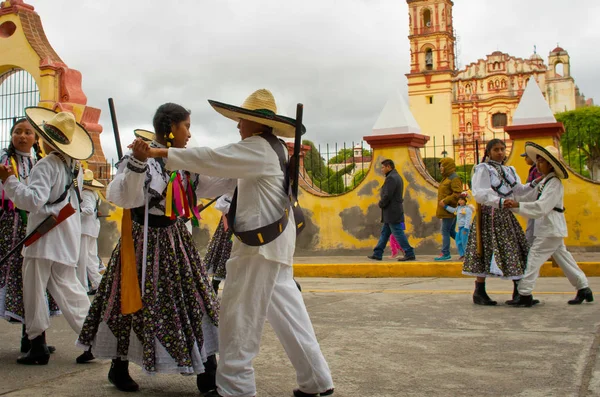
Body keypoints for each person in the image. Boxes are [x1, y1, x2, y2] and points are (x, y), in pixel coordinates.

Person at [143, 89, 334, 397]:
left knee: (238, 315)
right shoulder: (268, 150)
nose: (237, 126)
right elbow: (220, 181)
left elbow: (214, 158)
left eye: (241, 120)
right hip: (273, 247)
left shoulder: (257, 148)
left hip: (259, 249)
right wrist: (188, 177)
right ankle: (316, 381)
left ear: (255, 123)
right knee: (289, 315)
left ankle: (235, 389)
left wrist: (163, 154)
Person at [76, 103, 235, 393]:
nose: (189, 132)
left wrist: (242, 170)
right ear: (171, 128)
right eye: (186, 125)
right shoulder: (141, 158)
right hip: (141, 242)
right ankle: (118, 366)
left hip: (175, 239)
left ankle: (207, 370)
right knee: (128, 302)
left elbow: (209, 186)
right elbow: (126, 197)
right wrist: (136, 164)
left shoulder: (183, 160)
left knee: (195, 299)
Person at [0, 108, 92, 365]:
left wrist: (9, 181)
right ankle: (93, 338)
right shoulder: (76, 167)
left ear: (44, 138)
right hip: (66, 236)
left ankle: (36, 344)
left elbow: (32, 201)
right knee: (70, 290)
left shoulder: (47, 164)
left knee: (34, 290)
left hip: (43, 238)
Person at [504, 143, 593, 307]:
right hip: (550, 228)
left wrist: (517, 206)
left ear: (551, 164)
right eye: (537, 161)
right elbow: (530, 196)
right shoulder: (545, 181)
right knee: (564, 259)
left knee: (534, 258)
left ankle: (524, 293)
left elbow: (541, 207)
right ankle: (583, 287)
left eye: (541, 161)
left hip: (549, 228)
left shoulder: (554, 183)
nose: (538, 165)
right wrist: (515, 203)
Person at [0, 118, 61, 355]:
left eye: (28, 132)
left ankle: (33, 337)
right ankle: (34, 339)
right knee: (21, 278)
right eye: (18, 132)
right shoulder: (5, 162)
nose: (22, 136)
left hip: (36, 226)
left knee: (36, 281)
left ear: (36, 139)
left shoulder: (41, 162)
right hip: (11, 228)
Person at [462, 139, 536, 306]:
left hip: (505, 214)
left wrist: (536, 183)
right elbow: (480, 194)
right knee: (484, 250)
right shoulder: (483, 169)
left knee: (515, 248)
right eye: (496, 149)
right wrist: (500, 202)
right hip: (489, 215)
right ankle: (480, 291)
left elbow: (518, 190)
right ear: (488, 152)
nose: (500, 152)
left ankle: (519, 290)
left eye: (503, 149)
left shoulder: (509, 170)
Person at [368, 159, 416, 262]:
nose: (382, 169)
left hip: (392, 211)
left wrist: (381, 203)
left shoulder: (391, 178)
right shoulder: (396, 177)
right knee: (385, 232)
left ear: (389, 167)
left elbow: (387, 195)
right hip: (392, 211)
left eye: (383, 167)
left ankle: (409, 252)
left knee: (398, 232)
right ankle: (378, 253)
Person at [77, 169, 104, 296]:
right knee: (91, 258)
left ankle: (83, 286)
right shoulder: (94, 194)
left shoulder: (86, 194)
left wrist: (75, 215)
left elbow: (88, 210)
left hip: (85, 229)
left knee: (83, 259)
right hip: (92, 228)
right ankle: (98, 283)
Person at [204, 193, 233, 292]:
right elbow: (221, 202)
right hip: (229, 226)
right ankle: (214, 285)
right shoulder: (230, 192)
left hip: (244, 225)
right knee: (223, 250)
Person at [435, 157, 463, 261]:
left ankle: (445, 253)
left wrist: (445, 201)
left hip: (449, 209)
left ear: (447, 166)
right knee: (451, 231)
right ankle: (466, 247)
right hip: (445, 209)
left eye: (442, 166)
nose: (441, 168)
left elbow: (457, 193)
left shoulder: (454, 178)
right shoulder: (446, 178)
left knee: (445, 231)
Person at [521, 151, 542, 245]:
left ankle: (528, 248)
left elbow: (536, 187)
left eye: (526, 157)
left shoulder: (536, 170)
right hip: (533, 202)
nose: (525, 159)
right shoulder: (533, 169)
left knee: (532, 227)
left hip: (535, 203)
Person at [444, 193, 474, 260]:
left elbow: (468, 219)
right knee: (458, 241)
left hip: (465, 228)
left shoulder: (468, 209)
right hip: (460, 228)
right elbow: (453, 210)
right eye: (459, 200)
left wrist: (466, 229)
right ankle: (462, 254)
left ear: (465, 200)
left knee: (464, 242)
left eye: (462, 200)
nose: (460, 201)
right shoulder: (459, 208)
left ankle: (467, 255)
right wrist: (445, 206)